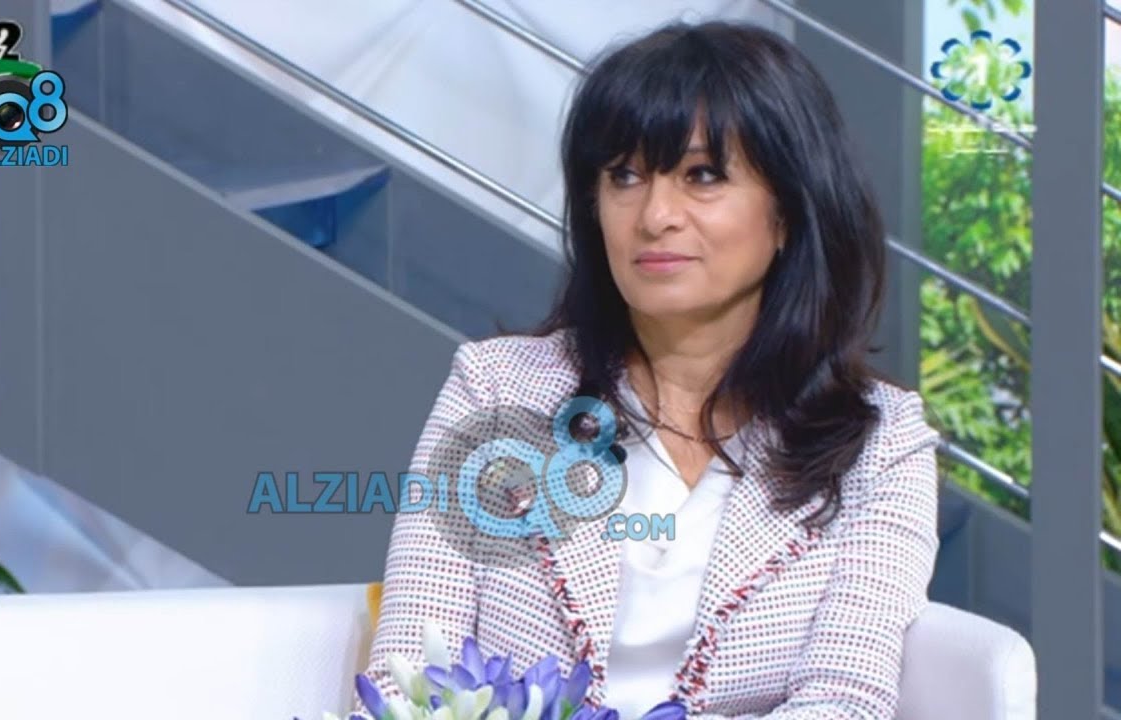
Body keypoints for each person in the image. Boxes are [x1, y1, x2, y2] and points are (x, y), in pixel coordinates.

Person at [356, 19, 940, 719]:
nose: (655, 214)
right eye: (624, 176)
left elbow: (844, 703)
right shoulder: (496, 389)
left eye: (702, 175)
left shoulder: (880, 442)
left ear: (787, 211)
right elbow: (411, 676)